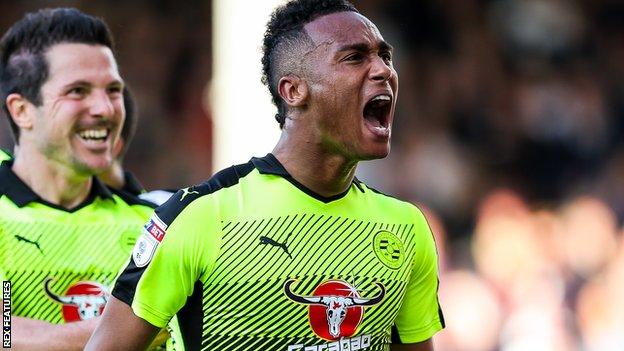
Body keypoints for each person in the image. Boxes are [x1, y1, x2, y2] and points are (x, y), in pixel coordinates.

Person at [87, 0, 444, 350]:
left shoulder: (405, 228)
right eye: (354, 58)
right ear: (293, 90)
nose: (383, 70)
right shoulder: (201, 217)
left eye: (385, 56)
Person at [0, 8, 159, 350]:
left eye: (113, 90)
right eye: (78, 91)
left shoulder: (153, 222)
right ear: (22, 110)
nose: (105, 108)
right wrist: (134, 327)